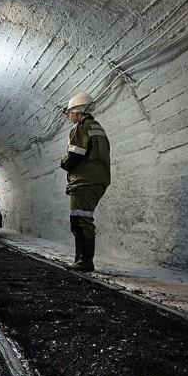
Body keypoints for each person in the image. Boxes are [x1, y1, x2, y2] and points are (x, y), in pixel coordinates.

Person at [59, 92, 111, 272]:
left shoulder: (80, 128)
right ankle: (82, 259)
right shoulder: (98, 128)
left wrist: (63, 163)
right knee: (83, 218)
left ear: (78, 111)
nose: (69, 116)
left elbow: (76, 154)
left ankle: (84, 261)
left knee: (80, 220)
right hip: (99, 180)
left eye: (70, 112)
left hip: (84, 181)